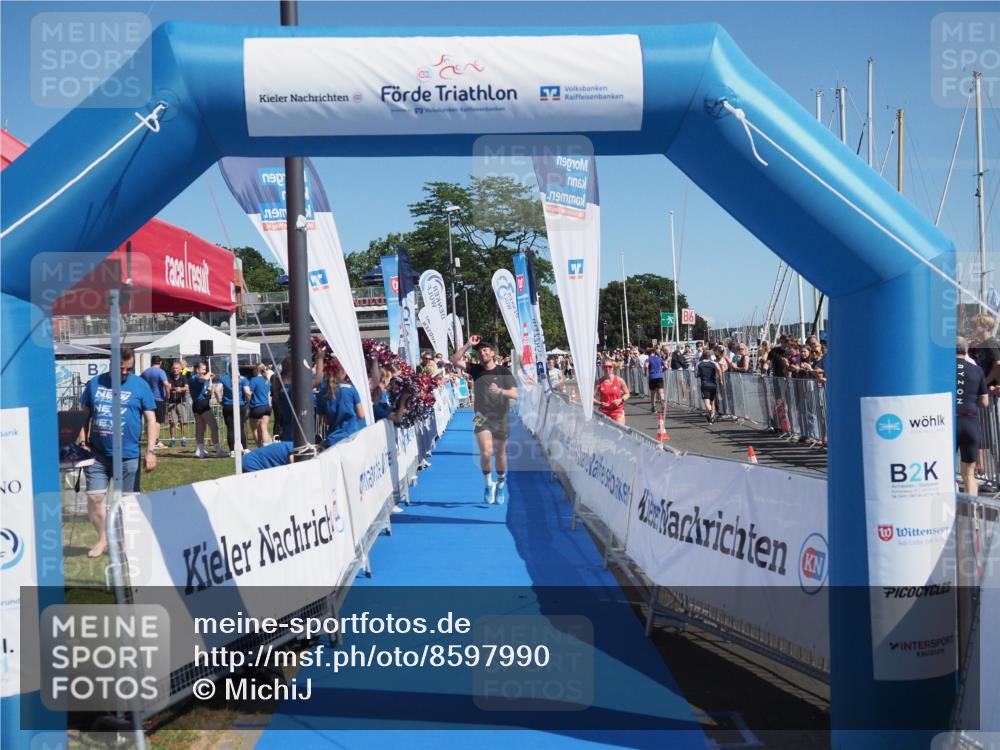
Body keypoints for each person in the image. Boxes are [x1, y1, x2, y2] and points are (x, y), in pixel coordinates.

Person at [77, 347, 158, 558]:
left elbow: (151, 420)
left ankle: (124, 542)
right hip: (98, 454)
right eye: (121, 368)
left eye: (128, 368)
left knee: (126, 502)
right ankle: (103, 539)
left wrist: (151, 451)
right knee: (95, 497)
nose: (124, 372)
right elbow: (82, 416)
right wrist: (83, 443)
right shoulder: (94, 384)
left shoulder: (140, 385)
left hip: (128, 456)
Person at [450, 335, 518, 505]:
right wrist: (468, 344)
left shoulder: (503, 371)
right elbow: (454, 360)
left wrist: (501, 391)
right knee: (486, 452)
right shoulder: (475, 369)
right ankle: (488, 484)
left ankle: (500, 484)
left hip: (501, 417)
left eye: (485, 350)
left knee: (500, 454)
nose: (482, 353)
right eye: (480, 351)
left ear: (493, 353)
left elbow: (515, 394)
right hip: (480, 417)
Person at [956, 337, 989, 497]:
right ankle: (972, 511)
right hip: (970, 422)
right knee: (969, 474)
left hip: (949, 423)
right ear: (966, 350)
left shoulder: (943, 369)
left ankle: (950, 509)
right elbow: (984, 402)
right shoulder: (977, 370)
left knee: (944, 470)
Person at [319, 359, 365, 448]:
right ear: (343, 372)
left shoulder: (322, 393)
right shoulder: (351, 389)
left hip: (333, 441)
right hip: (352, 439)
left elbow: (324, 421)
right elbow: (361, 415)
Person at [189, 361, 224, 458]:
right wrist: (209, 374)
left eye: (205, 369)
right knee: (214, 427)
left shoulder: (205, 379)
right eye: (203, 369)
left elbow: (207, 392)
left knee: (201, 428)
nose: (205, 371)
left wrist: (210, 390)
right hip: (201, 404)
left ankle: (200, 451)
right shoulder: (195, 377)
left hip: (201, 403)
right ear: (197, 369)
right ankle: (218, 450)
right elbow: (203, 379)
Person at [216, 367, 251, 456]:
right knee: (241, 427)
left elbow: (217, 390)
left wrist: (220, 401)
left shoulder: (224, 378)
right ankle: (245, 449)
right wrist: (248, 402)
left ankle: (232, 451)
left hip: (228, 405)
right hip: (240, 405)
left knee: (230, 429)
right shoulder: (243, 379)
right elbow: (248, 392)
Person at [140, 355, 170, 448]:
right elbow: (166, 384)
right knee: (157, 421)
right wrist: (168, 395)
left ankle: (150, 440)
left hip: (147, 399)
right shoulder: (161, 371)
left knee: (148, 420)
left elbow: (139, 382)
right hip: (158, 399)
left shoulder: (146, 372)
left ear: (151, 362)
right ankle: (156, 441)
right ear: (160, 362)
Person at [595, 358, 630, 424]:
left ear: (613, 368)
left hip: (617, 410)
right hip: (604, 411)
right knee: (602, 430)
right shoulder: (599, 382)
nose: (607, 368)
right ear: (602, 368)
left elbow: (627, 394)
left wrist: (620, 400)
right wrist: (599, 403)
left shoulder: (619, 380)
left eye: (609, 367)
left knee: (619, 429)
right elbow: (591, 398)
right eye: (605, 367)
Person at [165, 361, 190, 448]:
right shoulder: (169, 377)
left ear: (180, 370)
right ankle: (173, 440)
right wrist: (173, 389)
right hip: (171, 402)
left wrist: (181, 389)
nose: (175, 370)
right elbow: (168, 386)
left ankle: (184, 439)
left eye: (177, 368)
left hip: (181, 402)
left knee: (183, 421)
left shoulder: (184, 377)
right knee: (172, 422)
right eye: (173, 368)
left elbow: (187, 387)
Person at [248, 363, 272, 448]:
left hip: (257, 406)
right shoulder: (267, 380)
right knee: (264, 428)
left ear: (256, 370)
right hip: (267, 407)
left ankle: (259, 447)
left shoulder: (254, 380)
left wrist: (248, 402)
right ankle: (267, 447)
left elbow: (249, 393)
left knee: (254, 429)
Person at [697, 349, 723, 423]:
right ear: (710, 356)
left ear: (703, 356)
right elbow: (719, 370)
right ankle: (712, 416)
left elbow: (696, 374)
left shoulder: (699, 363)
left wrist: (700, 374)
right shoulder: (714, 363)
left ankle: (711, 413)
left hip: (705, 384)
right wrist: (721, 379)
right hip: (713, 384)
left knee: (707, 402)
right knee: (712, 401)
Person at [645, 347, 666, 413]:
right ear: (654, 352)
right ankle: (662, 400)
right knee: (661, 392)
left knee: (653, 393)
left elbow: (646, 366)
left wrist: (645, 372)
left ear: (648, 354)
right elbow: (666, 366)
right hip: (660, 376)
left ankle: (653, 407)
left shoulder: (648, 359)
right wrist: (662, 371)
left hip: (652, 377)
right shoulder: (659, 359)